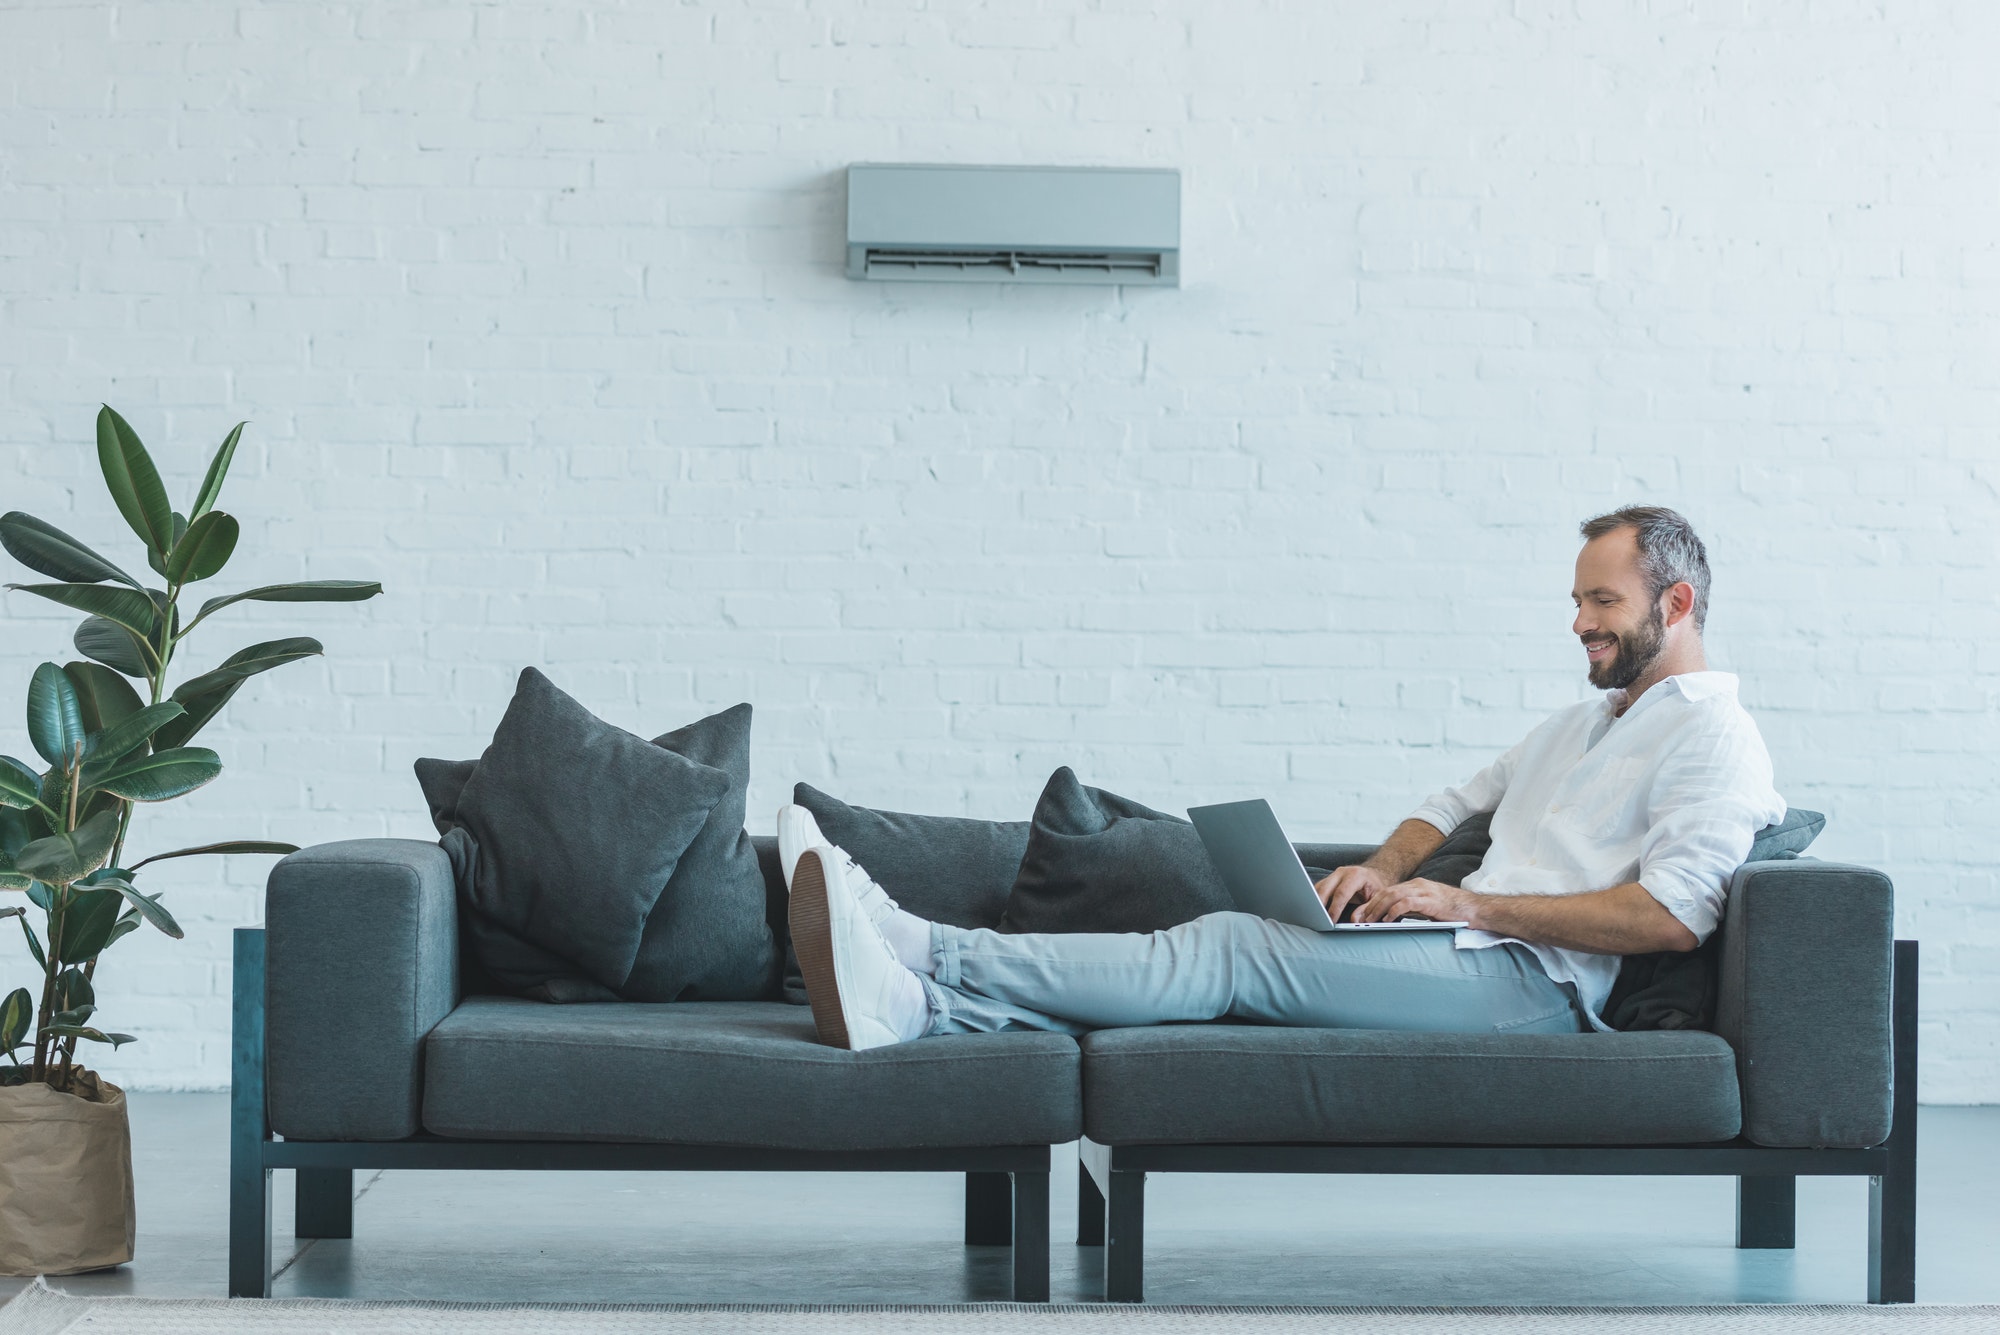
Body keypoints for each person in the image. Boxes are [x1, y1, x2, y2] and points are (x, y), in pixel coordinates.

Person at [782, 505, 1786, 1051]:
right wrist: (1379, 869)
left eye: (1602, 602)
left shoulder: (1715, 737)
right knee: (1234, 943)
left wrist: (1471, 907)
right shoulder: (1581, 722)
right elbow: (1449, 807)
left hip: (1535, 985)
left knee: (1231, 949)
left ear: (1676, 604)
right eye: (1576, 600)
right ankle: (920, 1011)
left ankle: (933, 952)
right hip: (1464, 950)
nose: (1578, 623)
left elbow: (1672, 918)